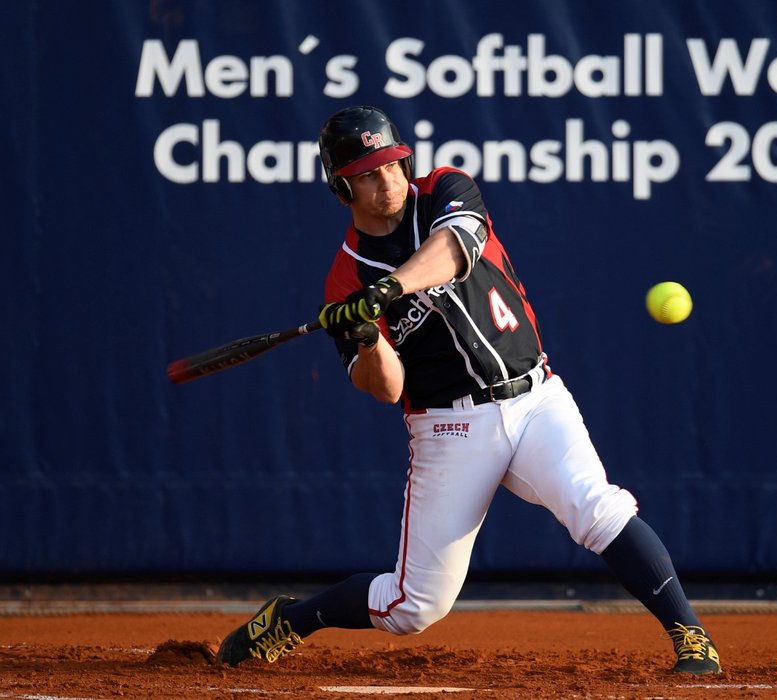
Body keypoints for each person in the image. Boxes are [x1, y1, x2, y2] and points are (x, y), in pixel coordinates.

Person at [216, 105, 722, 675]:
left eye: (392, 163)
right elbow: (386, 388)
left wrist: (388, 290)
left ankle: (691, 636)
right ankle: (294, 618)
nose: (387, 180)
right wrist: (364, 338)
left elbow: (456, 248)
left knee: (596, 507)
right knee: (414, 607)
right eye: (367, 172)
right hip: (449, 427)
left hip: (535, 399)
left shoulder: (443, 190)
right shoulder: (345, 279)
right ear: (341, 186)